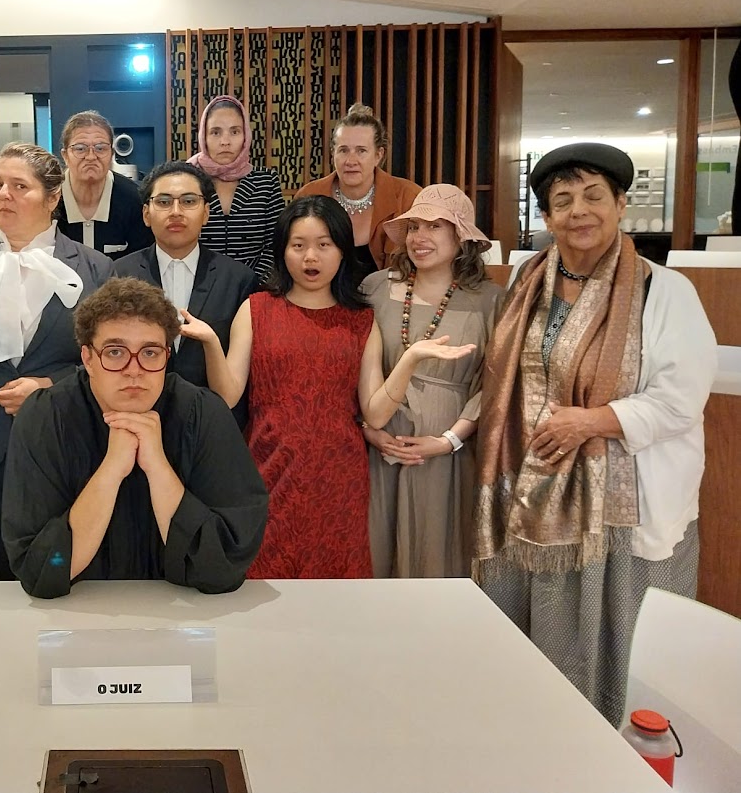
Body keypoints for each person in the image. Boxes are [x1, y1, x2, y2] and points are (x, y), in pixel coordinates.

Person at [475, 142, 717, 726]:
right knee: (539, 644)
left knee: (628, 648)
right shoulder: (526, 284)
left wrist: (594, 421)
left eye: (593, 197)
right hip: (533, 500)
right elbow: (503, 380)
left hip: (624, 509)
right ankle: (544, 739)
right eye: (562, 201)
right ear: (547, 217)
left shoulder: (664, 291)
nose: (578, 212)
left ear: (621, 204)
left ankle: (623, 759)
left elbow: (682, 398)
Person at [182, 196, 474, 579]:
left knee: (339, 590)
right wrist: (210, 343)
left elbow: (375, 412)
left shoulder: (359, 320)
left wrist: (410, 358)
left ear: (341, 250)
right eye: (298, 245)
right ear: (282, 250)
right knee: (264, 581)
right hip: (267, 468)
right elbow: (229, 395)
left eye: (324, 245)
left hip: (341, 480)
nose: (310, 258)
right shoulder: (256, 309)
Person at [2, 277, 268, 598]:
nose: (134, 370)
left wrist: (157, 467)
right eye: (115, 352)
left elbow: (223, 565)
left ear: (167, 357)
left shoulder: (203, 414)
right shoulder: (45, 417)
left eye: (150, 352)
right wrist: (112, 469)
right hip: (75, 617)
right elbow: (42, 570)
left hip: (188, 616)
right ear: (87, 359)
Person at [0, 142, 113, 580]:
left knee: (60, 578)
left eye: (19, 186)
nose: (3, 195)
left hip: (62, 447)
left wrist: (53, 387)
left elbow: (112, 360)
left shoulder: (96, 270)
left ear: (53, 198)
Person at [360, 185, 502, 578]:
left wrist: (449, 440)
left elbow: (493, 384)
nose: (420, 238)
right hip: (383, 444)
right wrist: (366, 430)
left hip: (450, 450)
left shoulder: (491, 300)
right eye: (414, 226)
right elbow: (351, 367)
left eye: (435, 226)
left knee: (440, 555)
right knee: (376, 552)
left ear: (462, 237)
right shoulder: (376, 288)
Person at [111, 161, 256, 397]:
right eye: (164, 202)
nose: (176, 212)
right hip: (140, 412)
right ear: (146, 214)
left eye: (188, 201)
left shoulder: (239, 280)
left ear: (206, 213)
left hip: (213, 418)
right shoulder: (119, 275)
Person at [296, 103, 421, 279]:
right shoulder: (308, 195)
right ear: (333, 154)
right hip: (321, 297)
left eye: (361, 151)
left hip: (388, 299)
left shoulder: (409, 197)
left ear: (379, 155)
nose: (351, 160)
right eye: (343, 150)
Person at [189, 94, 285, 282]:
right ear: (204, 137)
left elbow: (276, 244)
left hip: (255, 288)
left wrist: (251, 285)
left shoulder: (266, 181)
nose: (225, 141)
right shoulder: (188, 180)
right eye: (215, 132)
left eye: (234, 132)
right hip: (197, 285)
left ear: (245, 136)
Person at [56, 109, 153, 258]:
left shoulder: (136, 200)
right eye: (80, 149)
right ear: (65, 156)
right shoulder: (49, 199)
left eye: (100, 148)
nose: (90, 157)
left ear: (112, 154)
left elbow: (142, 264)